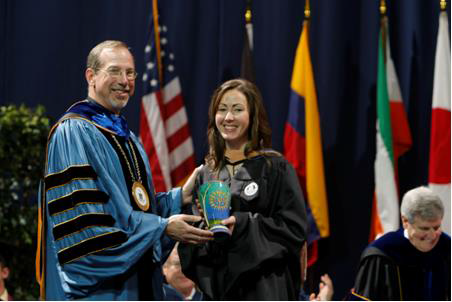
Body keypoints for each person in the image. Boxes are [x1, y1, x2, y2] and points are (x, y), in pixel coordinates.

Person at [36, 40, 213, 300]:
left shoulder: (128, 138)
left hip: (135, 287)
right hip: (98, 293)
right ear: (91, 76)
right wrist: (161, 227)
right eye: (115, 71)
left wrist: (180, 197)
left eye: (130, 73)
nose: (125, 80)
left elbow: (133, 212)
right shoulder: (72, 133)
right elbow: (86, 230)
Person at [179, 78, 307, 300]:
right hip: (219, 288)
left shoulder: (274, 167)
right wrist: (204, 230)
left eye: (237, 110)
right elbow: (192, 240)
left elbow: (293, 229)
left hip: (264, 287)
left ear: (252, 116)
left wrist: (242, 224)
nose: (228, 117)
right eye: (222, 110)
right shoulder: (207, 172)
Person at [350, 186, 451, 300]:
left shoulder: (446, 248)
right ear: (405, 221)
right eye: (425, 229)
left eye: (436, 227)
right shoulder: (381, 255)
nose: (433, 236)